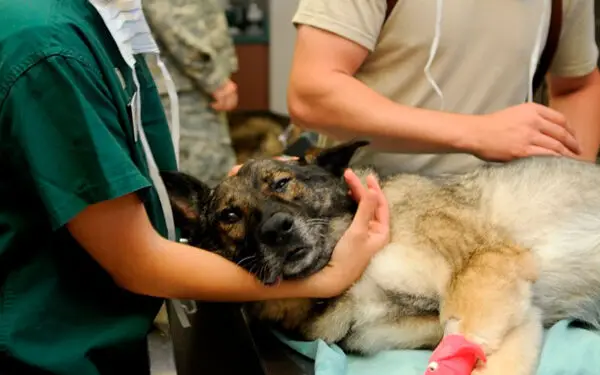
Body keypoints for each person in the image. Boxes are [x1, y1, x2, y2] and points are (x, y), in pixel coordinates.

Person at [0, 1, 390, 375]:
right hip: (46, 345)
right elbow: (136, 260)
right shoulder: (51, 50)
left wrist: (256, 188)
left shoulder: (102, 22)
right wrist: (331, 277)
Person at [287, 0, 600, 177]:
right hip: (374, 213)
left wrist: (567, 189)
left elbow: (578, 85)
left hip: (505, 216)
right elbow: (312, 92)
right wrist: (476, 132)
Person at [143, 0, 239, 188]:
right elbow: (172, 22)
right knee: (200, 184)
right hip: (182, 91)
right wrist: (215, 79)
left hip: (186, 87)